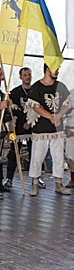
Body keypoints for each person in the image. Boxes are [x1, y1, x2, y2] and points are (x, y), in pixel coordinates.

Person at [27, 63, 71, 197]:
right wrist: (50, 116)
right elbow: (34, 106)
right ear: (47, 70)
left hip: (57, 129)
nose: (57, 71)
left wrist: (59, 115)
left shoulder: (61, 86)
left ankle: (58, 184)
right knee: (37, 157)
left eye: (58, 68)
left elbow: (67, 104)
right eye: (55, 69)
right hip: (41, 130)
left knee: (58, 157)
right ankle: (34, 184)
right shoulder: (36, 87)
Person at [3, 67, 46, 191]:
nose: (28, 77)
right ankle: (9, 179)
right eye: (25, 75)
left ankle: (36, 178)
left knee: (35, 153)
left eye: (29, 74)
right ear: (21, 77)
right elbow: (10, 113)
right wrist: (10, 129)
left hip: (33, 128)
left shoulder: (36, 91)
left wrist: (30, 121)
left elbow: (39, 109)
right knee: (13, 152)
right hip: (17, 129)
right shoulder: (15, 92)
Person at [0, 67, 12, 199]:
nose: (1, 78)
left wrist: (9, 130)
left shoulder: (1, 93)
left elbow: (6, 115)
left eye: (2, 75)